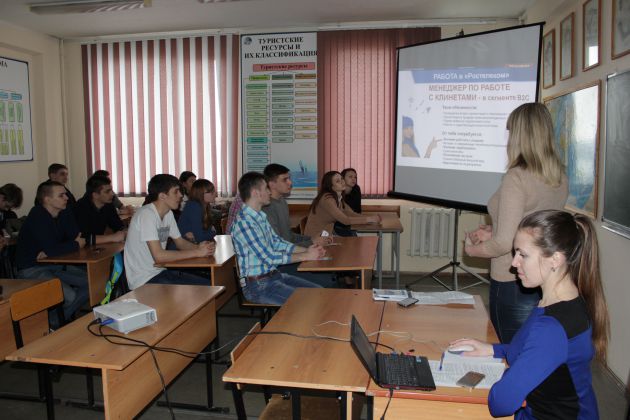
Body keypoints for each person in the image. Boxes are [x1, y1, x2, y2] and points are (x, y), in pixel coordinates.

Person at [451, 210, 609, 419]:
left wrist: (507, 376)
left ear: (555, 259)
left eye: (523, 255)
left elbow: (501, 403)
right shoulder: (561, 302)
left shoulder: (552, 328)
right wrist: (493, 349)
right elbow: (537, 351)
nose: (514, 263)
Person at [464, 102, 569, 344]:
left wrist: (471, 250)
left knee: (509, 348)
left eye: (511, 131)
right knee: (531, 346)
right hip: (543, 275)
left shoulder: (517, 177)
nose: (509, 138)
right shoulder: (559, 176)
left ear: (521, 135)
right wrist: (495, 228)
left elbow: (504, 243)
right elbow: (537, 225)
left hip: (511, 278)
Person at [231, 172, 324, 304]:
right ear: (256, 193)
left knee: (319, 292)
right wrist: (306, 256)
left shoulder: (260, 216)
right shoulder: (244, 223)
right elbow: (268, 257)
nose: (269, 192)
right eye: (266, 188)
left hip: (274, 276)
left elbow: (277, 243)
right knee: (308, 302)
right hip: (258, 286)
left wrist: (309, 250)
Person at [15, 181, 89, 326]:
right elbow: (55, 247)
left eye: (65, 194)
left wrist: (57, 248)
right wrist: (73, 245)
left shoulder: (62, 212)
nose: (66, 198)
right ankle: (53, 324)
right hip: (31, 268)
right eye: (61, 195)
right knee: (69, 296)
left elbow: (77, 236)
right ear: (47, 200)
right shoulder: (37, 215)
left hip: (53, 264)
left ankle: (53, 322)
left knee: (91, 283)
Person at [124, 174, 215, 290]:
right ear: (162, 196)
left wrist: (200, 248)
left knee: (211, 284)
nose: (181, 195)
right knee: (205, 289)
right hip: (143, 281)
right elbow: (159, 257)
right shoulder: (146, 215)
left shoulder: (168, 214)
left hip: (159, 272)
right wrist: (197, 252)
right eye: (176, 192)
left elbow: (180, 243)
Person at [261, 163, 337, 288]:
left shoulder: (282, 202)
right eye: (285, 179)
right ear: (272, 184)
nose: (290, 182)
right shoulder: (267, 209)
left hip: (291, 257)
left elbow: (289, 236)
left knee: (331, 270)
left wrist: (313, 239)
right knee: (328, 280)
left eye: (289, 178)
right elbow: (277, 248)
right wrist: (311, 243)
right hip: (280, 265)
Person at [304, 171, 379, 238]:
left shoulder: (338, 198)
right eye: (337, 181)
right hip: (314, 240)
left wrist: (371, 218)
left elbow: (350, 213)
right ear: (331, 186)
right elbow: (345, 220)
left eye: (342, 179)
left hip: (325, 237)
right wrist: (369, 219)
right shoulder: (327, 199)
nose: (342, 182)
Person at [73, 175, 126, 245]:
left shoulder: (108, 205)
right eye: (107, 192)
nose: (112, 194)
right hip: (78, 249)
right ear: (95, 195)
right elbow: (83, 239)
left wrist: (124, 232)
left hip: (97, 246)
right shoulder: (80, 208)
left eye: (111, 190)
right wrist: (112, 237)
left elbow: (118, 226)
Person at [177, 178, 217, 243]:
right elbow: (199, 237)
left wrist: (209, 232)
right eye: (211, 192)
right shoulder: (194, 207)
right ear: (200, 194)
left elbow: (205, 231)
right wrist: (213, 232)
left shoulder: (205, 206)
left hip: (192, 245)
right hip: (181, 247)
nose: (215, 194)